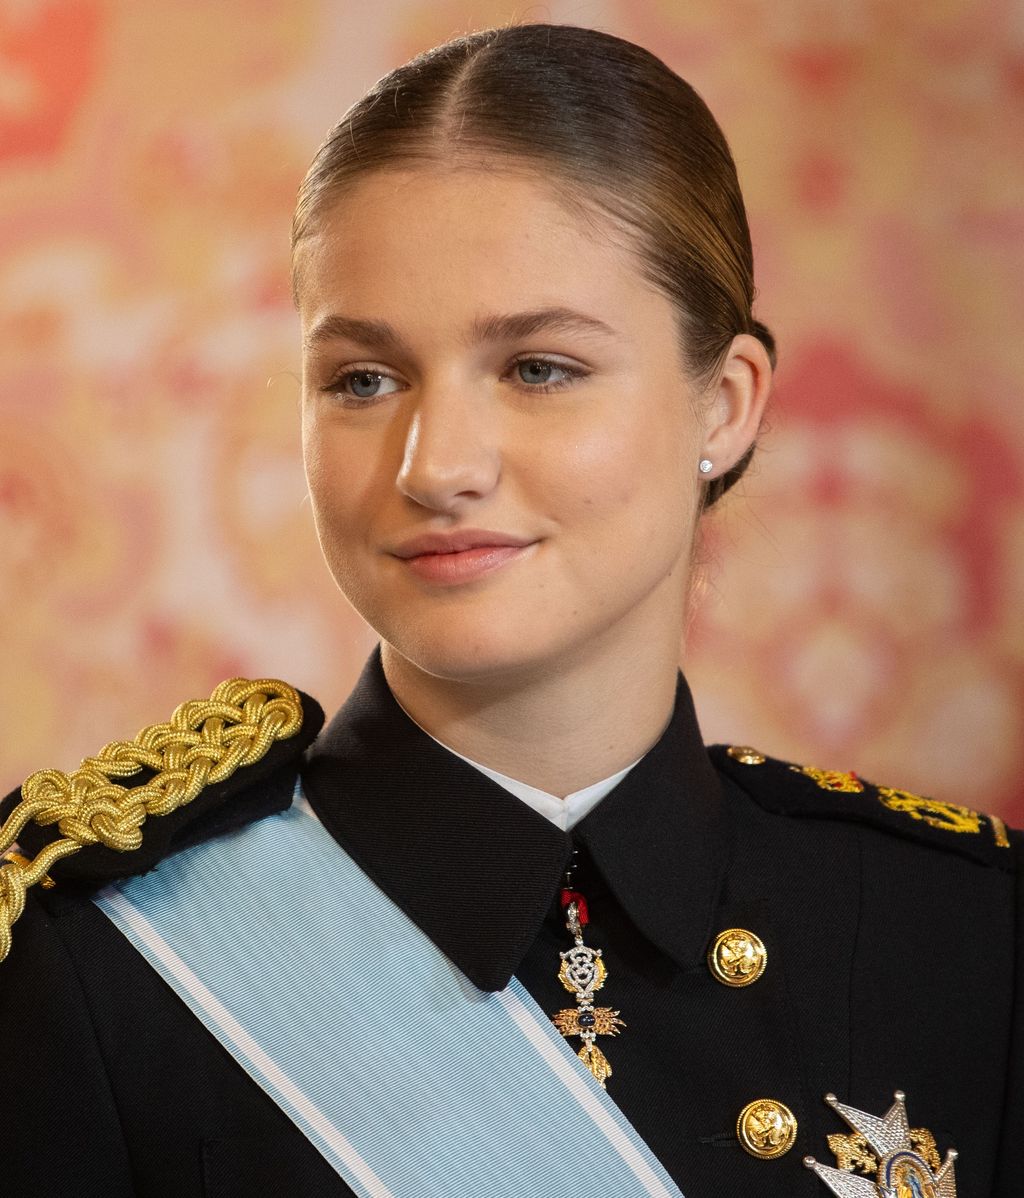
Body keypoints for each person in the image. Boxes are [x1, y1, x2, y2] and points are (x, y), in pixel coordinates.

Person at [0, 22, 1020, 1198]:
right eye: (362, 380)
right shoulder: (99, 970)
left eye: (538, 366)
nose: (435, 466)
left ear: (724, 405)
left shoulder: (966, 941)